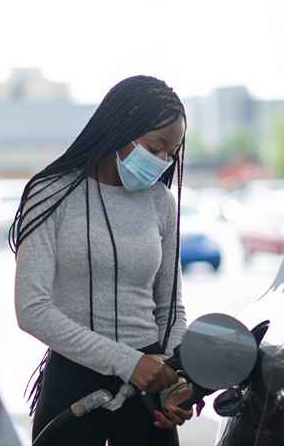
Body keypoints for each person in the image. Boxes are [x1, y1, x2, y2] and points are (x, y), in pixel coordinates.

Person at [12, 76, 196, 445]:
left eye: (170, 153)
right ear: (120, 130)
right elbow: (31, 309)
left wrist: (176, 378)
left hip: (151, 382)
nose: (162, 162)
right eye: (154, 147)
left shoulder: (161, 203)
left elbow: (170, 307)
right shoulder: (52, 194)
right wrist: (128, 363)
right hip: (73, 377)